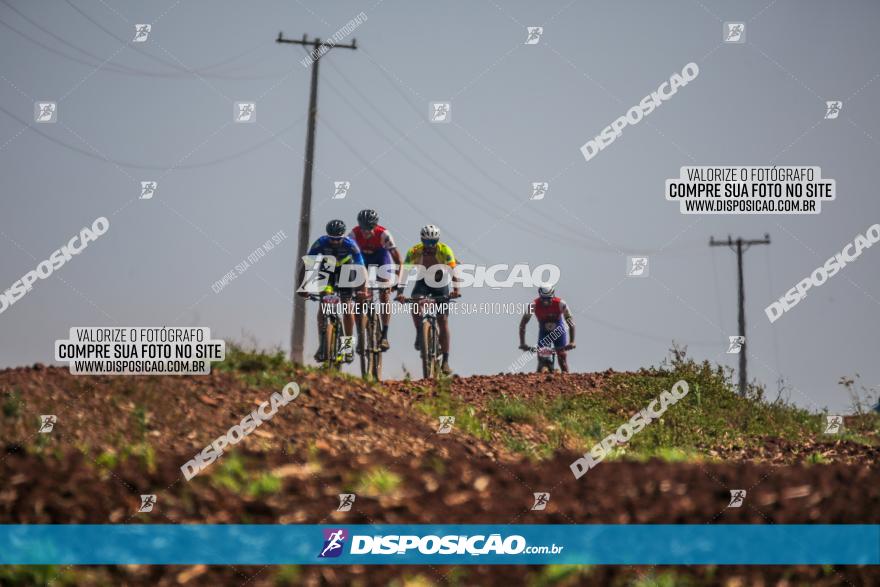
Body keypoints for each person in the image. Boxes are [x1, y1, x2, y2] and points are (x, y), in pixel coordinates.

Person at [297, 219, 367, 363]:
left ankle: (347, 347)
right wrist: (302, 286)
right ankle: (323, 344)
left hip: (346, 270)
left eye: (338, 239)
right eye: (332, 239)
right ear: (328, 236)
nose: (335, 242)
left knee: (347, 306)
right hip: (327, 271)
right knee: (324, 304)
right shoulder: (320, 243)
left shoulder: (350, 244)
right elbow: (306, 266)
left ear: (343, 237)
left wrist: (363, 290)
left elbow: (362, 269)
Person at [396, 224, 460, 374]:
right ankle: (420, 332)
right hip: (423, 282)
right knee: (415, 302)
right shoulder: (414, 251)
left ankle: (445, 361)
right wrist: (400, 292)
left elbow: (453, 270)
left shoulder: (445, 250)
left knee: (442, 320)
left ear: (437, 241)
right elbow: (404, 272)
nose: (430, 246)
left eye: (433, 242)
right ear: (422, 240)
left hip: (441, 283)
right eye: (427, 242)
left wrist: (456, 289)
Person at [349, 209, 404, 351]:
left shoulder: (384, 234)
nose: (366, 232)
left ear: (375, 226)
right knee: (360, 295)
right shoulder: (353, 234)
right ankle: (361, 334)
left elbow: (398, 260)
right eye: (363, 229)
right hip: (363, 261)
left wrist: (397, 281)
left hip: (381, 259)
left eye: (369, 229)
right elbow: (347, 259)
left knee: (384, 294)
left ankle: (384, 335)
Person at [518, 284, 576, 373]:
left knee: (562, 358)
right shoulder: (533, 305)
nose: (546, 302)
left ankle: (566, 376)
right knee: (542, 357)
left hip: (559, 332)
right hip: (544, 332)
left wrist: (572, 341)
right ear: (540, 296)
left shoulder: (561, 304)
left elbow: (570, 322)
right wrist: (523, 343)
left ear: (553, 296)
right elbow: (523, 323)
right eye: (543, 299)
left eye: (548, 299)